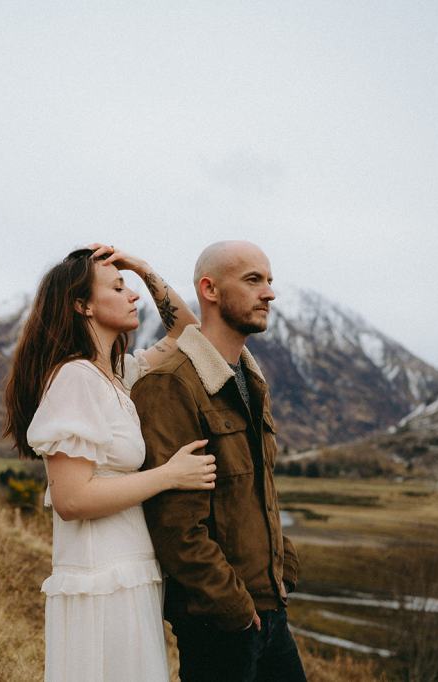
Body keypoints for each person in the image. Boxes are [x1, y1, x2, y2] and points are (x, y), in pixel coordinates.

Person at [3, 244, 216, 682]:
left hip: (128, 574)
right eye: (118, 287)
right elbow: (72, 499)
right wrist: (168, 475)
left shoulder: (118, 376)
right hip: (101, 580)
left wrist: (140, 267)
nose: (132, 295)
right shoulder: (75, 377)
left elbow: (189, 334)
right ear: (82, 305)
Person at [131, 240, 307, 681]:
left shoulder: (249, 379)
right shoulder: (172, 384)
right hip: (220, 620)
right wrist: (233, 606)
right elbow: (175, 522)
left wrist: (284, 568)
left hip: (269, 608)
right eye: (253, 280)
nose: (269, 293)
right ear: (209, 289)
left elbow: (256, 490)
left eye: (269, 281)